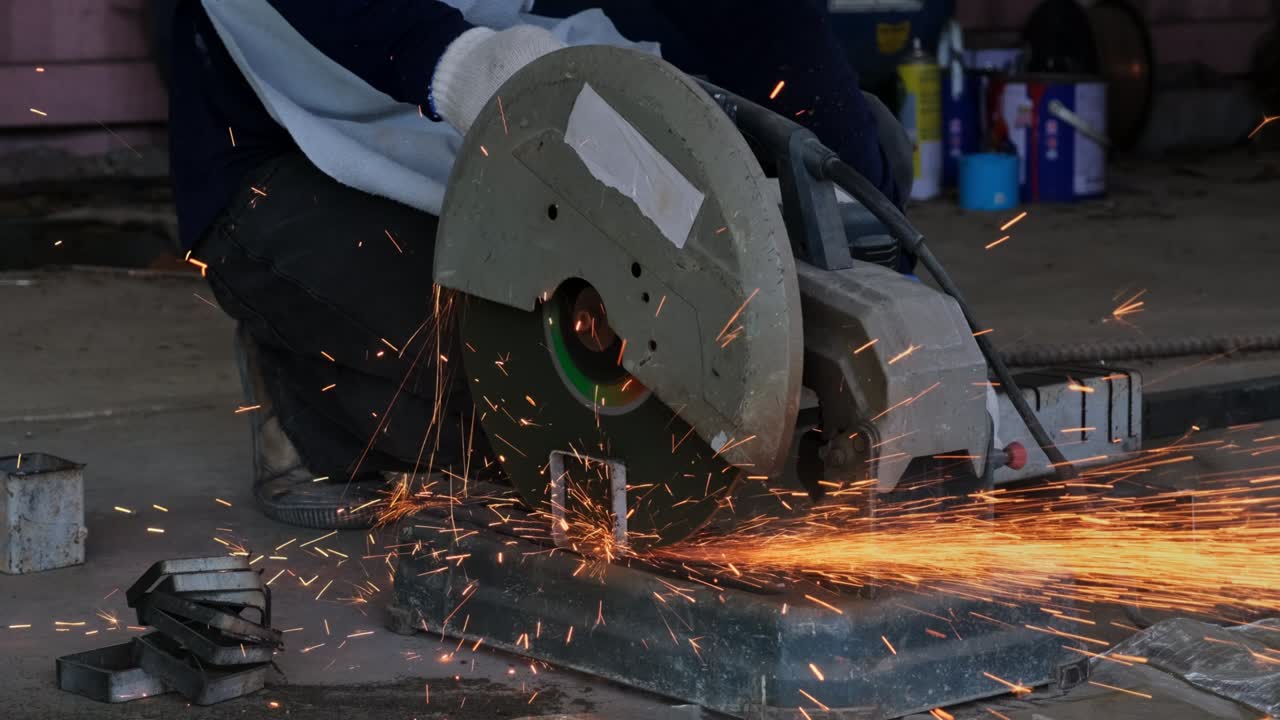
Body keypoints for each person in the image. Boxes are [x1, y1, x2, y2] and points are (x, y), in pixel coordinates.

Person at [169, 0, 908, 529]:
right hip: (293, 142)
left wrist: (851, 221)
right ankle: (305, 402)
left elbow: (759, 25)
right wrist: (454, 62)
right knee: (532, 410)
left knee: (835, 164)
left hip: (515, 68)